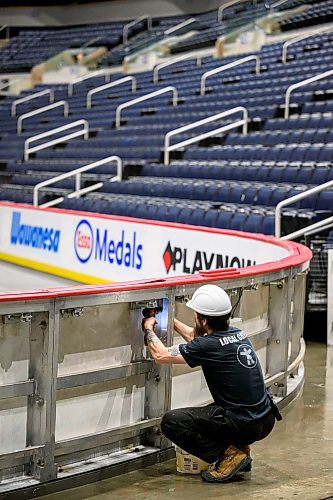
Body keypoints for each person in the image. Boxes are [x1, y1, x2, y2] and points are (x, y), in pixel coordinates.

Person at [142, 284, 281, 484]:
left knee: (172, 422)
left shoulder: (209, 345)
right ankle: (239, 450)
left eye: (196, 315)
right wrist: (170, 321)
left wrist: (148, 328)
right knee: (216, 414)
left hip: (243, 424)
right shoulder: (237, 334)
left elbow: (161, 355)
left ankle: (229, 456)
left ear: (204, 320)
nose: (194, 318)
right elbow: (195, 339)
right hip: (265, 420)